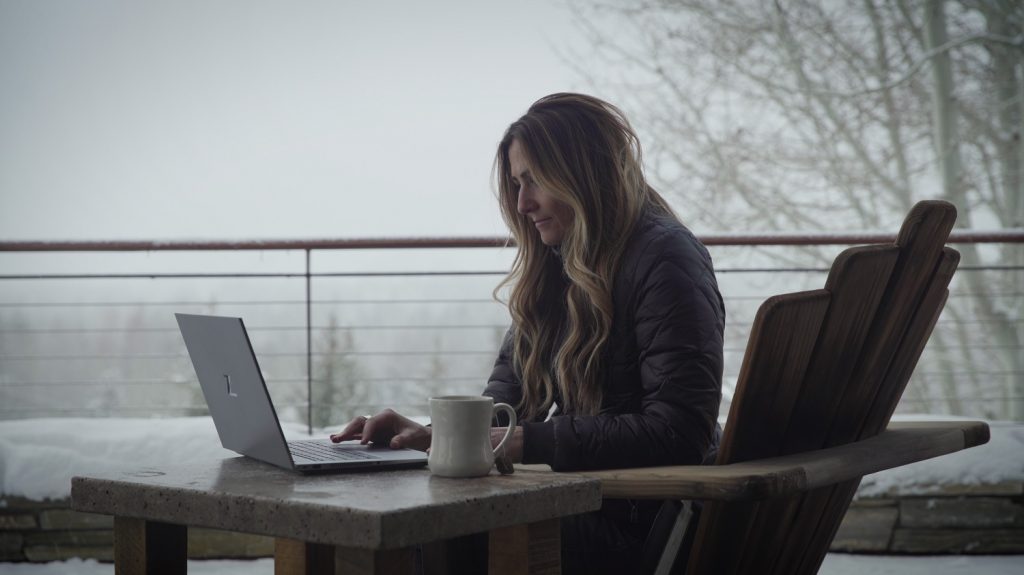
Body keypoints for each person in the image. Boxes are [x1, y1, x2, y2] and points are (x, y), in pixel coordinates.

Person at [331, 93, 725, 574]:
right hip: (578, 504)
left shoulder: (665, 258)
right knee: (387, 534)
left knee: (426, 538)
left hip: (632, 522)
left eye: (534, 180)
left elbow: (678, 430)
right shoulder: (556, 267)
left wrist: (525, 442)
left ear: (583, 172)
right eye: (517, 184)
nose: (522, 204)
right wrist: (427, 435)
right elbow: (505, 401)